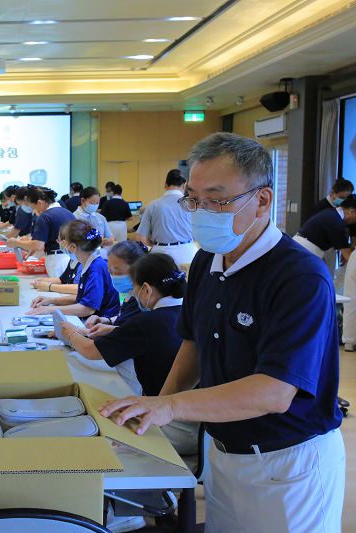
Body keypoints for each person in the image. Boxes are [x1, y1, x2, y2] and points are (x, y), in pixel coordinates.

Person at [99, 132, 345, 533]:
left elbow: (274, 391)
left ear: (262, 200)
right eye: (194, 200)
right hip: (222, 451)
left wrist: (173, 407)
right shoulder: (206, 262)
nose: (202, 212)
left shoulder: (299, 276)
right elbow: (193, 345)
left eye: (217, 200)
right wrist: (156, 412)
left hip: (287, 460)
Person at [61, 252, 199, 454]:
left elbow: (90, 351)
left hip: (170, 426)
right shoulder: (190, 311)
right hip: (195, 425)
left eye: (135, 289)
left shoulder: (149, 321)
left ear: (146, 289)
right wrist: (115, 331)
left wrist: (70, 333)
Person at [27, 221, 120, 320]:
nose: (61, 246)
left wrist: (50, 310)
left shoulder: (96, 269)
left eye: (63, 243)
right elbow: (82, 298)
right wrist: (51, 300)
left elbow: (87, 308)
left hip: (99, 323)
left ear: (73, 247)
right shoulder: (88, 264)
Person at [8, 186, 76, 277]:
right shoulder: (67, 212)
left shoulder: (45, 216)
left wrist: (16, 242)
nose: (34, 210)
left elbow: (38, 245)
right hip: (72, 258)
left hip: (57, 261)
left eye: (33, 207)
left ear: (39, 203)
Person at [136, 169, 198, 266]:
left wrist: (155, 246)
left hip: (160, 255)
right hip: (188, 253)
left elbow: (140, 238)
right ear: (184, 185)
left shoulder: (153, 205)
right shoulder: (191, 204)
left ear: (165, 185)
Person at [293, 196, 355, 263]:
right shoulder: (335, 221)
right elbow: (347, 255)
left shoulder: (331, 213)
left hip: (302, 248)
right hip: (304, 250)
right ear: (351, 211)